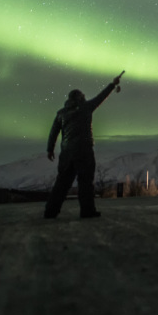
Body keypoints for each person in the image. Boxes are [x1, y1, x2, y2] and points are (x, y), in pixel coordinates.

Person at [44, 71, 124, 219]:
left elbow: (53, 133)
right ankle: (87, 211)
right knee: (85, 182)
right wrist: (113, 84)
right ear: (80, 98)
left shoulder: (60, 114)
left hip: (66, 153)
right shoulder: (85, 108)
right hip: (84, 151)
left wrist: (50, 149)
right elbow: (102, 96)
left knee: (61, 184)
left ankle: (50, 211)